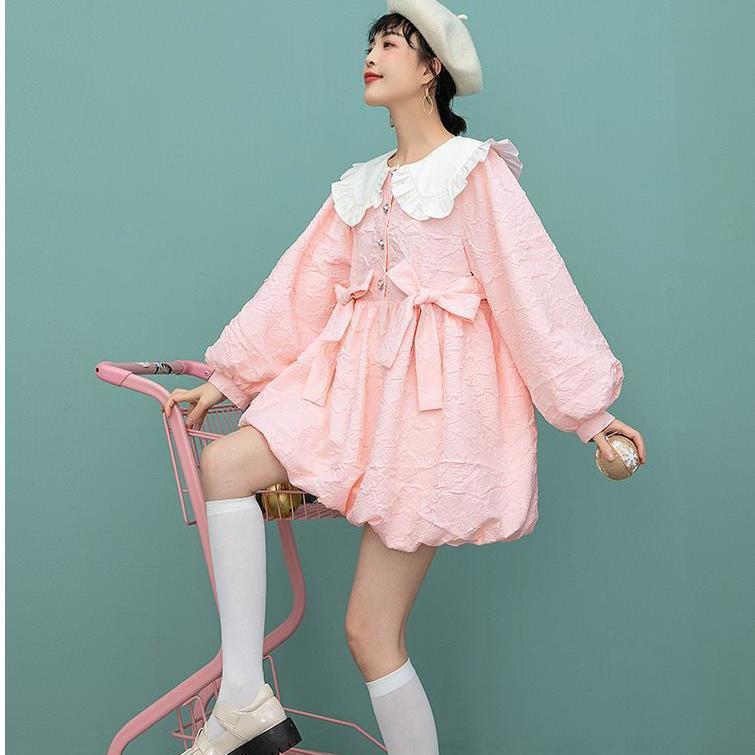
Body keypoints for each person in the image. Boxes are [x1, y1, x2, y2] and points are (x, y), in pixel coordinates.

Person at [162, 2, 647, 753]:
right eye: (372, 42)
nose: (373, 54)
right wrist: (228, 379)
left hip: (428, 421)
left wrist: (590, 414)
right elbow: (301, 287)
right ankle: (242, 698)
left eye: (392, 43)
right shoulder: (362, 186)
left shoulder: (474, 173)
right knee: (225, 463)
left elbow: (531, 290)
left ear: (431, 70)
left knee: (370, 633)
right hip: (347, 395)